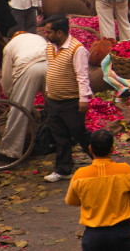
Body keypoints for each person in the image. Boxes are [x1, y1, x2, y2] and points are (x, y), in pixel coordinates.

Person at [66, 129, 130, 251]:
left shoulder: (80, 175)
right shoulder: (125, 170)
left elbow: (71, 201)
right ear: (112, 149)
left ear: (90, 149)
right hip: (122, 233)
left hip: (94, 236)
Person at [42, 16, 93, 182]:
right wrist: (49, 92)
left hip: (70, 101)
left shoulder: (77, 49)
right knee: (59, 136)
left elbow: (82, 76)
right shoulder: (50, 47)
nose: (46, 34)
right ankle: (63, 169)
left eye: (49, 32)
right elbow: (51, 68)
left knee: (79, 133)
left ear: (60, 32)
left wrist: (83, 98)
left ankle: (100, 159)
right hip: (53, 100)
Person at [0, 26, 46, 161]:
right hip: (50, 65)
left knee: (19, 110)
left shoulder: (9, 46)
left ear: (10, 38)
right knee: (54, 108)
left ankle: (10, 152)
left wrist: (10, 97)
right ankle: (57, 143)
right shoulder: (38, 37)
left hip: (29, 67)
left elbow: (7, 77)